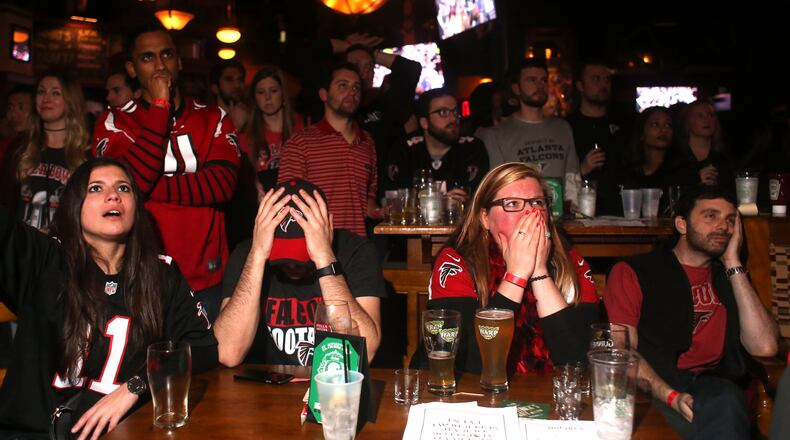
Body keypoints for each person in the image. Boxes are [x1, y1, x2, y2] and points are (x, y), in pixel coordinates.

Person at [0, 158, 217, 439]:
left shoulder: (160, 273)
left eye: (124, 188)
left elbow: (202, 349)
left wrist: (135, 387)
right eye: (95, 188)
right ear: (73, 206)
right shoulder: (44, 261)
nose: (113, 195)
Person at [604, 185, 778, 439]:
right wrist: (670, 395)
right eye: (711, 216)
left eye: (730, 220)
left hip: (714, 388)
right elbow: (622, 353)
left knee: (726, 400)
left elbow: (765, 348)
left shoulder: (730, 277)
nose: (724, 227)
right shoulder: (636, 271)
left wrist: (733, 263)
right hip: (656, 386)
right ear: (682, 225)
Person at [93, 24, 240, 322]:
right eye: (148, 58)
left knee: (208, 368)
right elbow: (120, 188)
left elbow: (222, 185)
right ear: (132, 69)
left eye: (167, 54)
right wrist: (160, 106)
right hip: (141, 277)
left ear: (180, 62)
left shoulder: (213, 117)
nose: (160, 65)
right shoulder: (114, 121)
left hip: (206, 279)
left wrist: (143, 186)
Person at [419, 162, 598, 374]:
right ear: (484, 218)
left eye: (538, 203)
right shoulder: (457, 262)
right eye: (512, 204)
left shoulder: (570, 261)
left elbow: (581, 362)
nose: (530, 213)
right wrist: (516, 276)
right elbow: (469, 364)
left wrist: (539, 273)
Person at [214, 179, 385, 367]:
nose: (292, 266)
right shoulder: (247, 255)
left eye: (302, 251)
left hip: (334, 386)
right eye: (281, 252)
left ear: (327, 226)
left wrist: (324, 258)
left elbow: (364, 353)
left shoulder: (356, 251)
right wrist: (258, 255)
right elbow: (228, 353)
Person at [278, 62, 379, 237]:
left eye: (356, 87)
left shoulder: (366, 142)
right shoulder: (300, 142)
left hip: (358, 248)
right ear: (324, 94)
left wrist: (383, 211)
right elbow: (287, 204)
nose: (352, 92)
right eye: (343, 85)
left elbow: (368, 197)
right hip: (316, 251)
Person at [479, 59, 582, 207]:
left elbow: (572, 178)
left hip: (559, 219)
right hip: (521, 218)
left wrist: (575, 215)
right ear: (516, 88)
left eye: (543, 80)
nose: (539, 86)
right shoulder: (498, 134)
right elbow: (499, 188)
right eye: (531, 80)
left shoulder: (562, 128)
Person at [4, 71, 89, 233]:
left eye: (55, 93)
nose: (46, 98)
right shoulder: (19, 149)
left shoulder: (85, 153)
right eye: (41, 91)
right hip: (22, 250)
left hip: (64, 251)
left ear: (71, 100)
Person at [385, 88, 490, 201]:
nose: (453, 118)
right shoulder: (405, 150)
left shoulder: (472, 147)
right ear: (424, 123)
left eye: (455, 111)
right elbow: (394, 200)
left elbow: (478, 199)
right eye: (443, 112)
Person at [567, 59, 626, 215]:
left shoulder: (624, 123)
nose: (603, 85)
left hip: (621, 213)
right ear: (580, 86)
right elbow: (558, 174)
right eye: (596, 79)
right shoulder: (567, 127)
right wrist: (582, 169)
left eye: (607, 79)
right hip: (581, 213)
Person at [241, 66, 304, 193]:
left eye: (273, 91)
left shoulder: (302, 127)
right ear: (254, 98)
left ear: (283, 94)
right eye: (261, 92)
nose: (267, 97)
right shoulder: (245, 137)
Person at [669, 99, 734, 188]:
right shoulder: (675, 157)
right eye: (700, 116)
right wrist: (696, 180)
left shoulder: (724, 156)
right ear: (687, 122)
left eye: (711, 115)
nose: (707, 120)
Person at [209, 60, 248, 131]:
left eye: (240, 80)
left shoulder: (254, 119)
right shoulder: (207, 121)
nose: (237, 85)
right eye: (229, 80)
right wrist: (235, 127)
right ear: (215, 88)